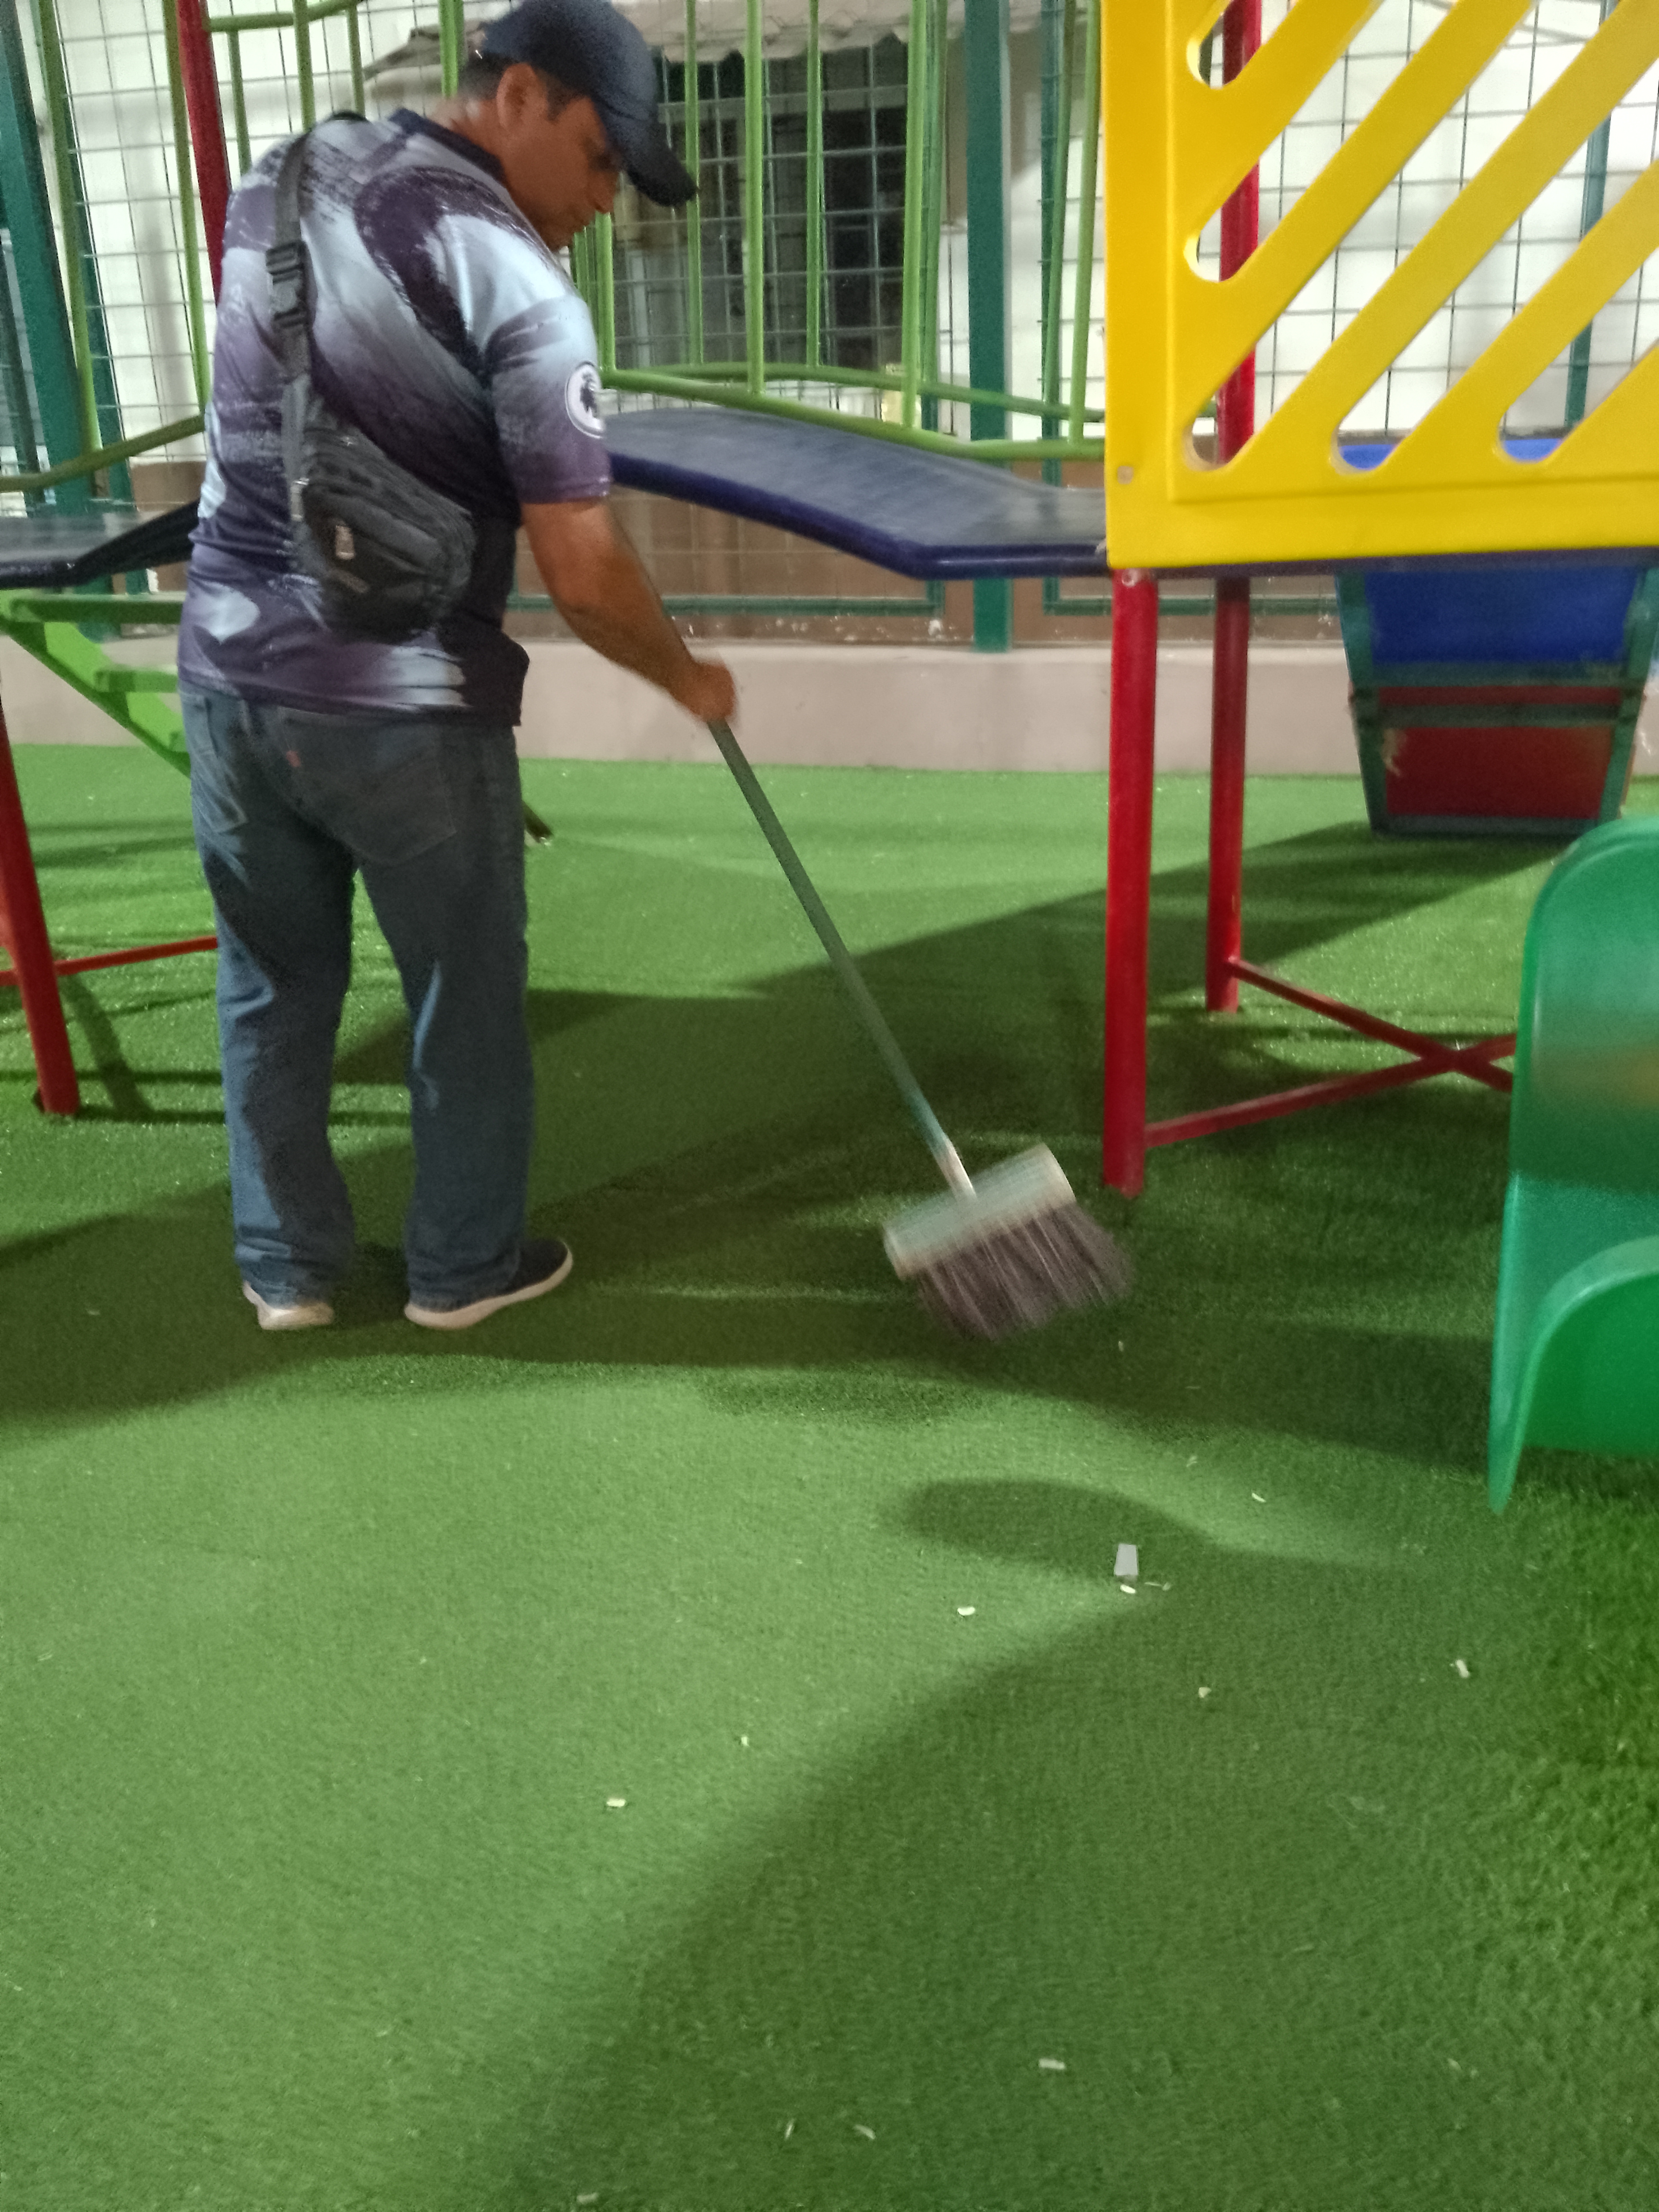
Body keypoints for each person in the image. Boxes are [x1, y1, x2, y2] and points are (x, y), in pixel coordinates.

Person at [177, 0, 734, 1333]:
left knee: (270, 986)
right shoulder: (518, 284)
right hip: (407, 704)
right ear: (522, 95)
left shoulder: (283, 176)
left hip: (229, 680)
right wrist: (688, 676)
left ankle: (285, 1271)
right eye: (600, 159)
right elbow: (585, 574)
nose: (602, 202)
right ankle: (463, 1269)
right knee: (462, 995)